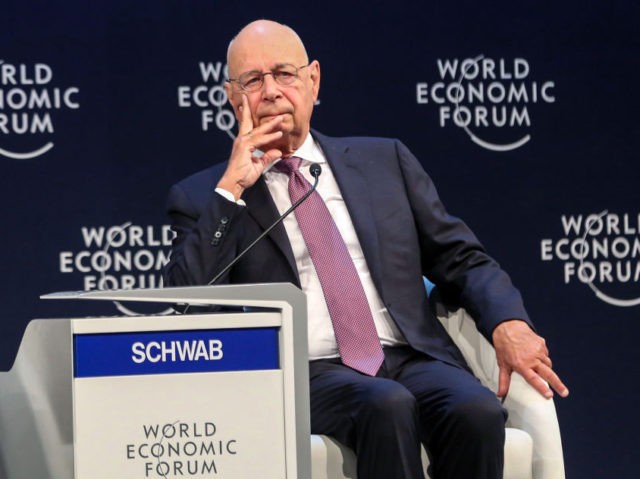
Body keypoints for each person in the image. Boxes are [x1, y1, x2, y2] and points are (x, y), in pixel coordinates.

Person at [165, 19, 568, 479]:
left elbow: (461, 258)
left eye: (284, 73)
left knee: (474, 411)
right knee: (386, 405)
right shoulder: (204, 197)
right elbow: (184, 302)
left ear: (313, 80)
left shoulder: (384, 161)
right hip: (302, 372)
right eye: (253, 81)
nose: (272, 91)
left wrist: (508, 321)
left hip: (406, 355)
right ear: (233, 98)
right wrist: (233, 190)